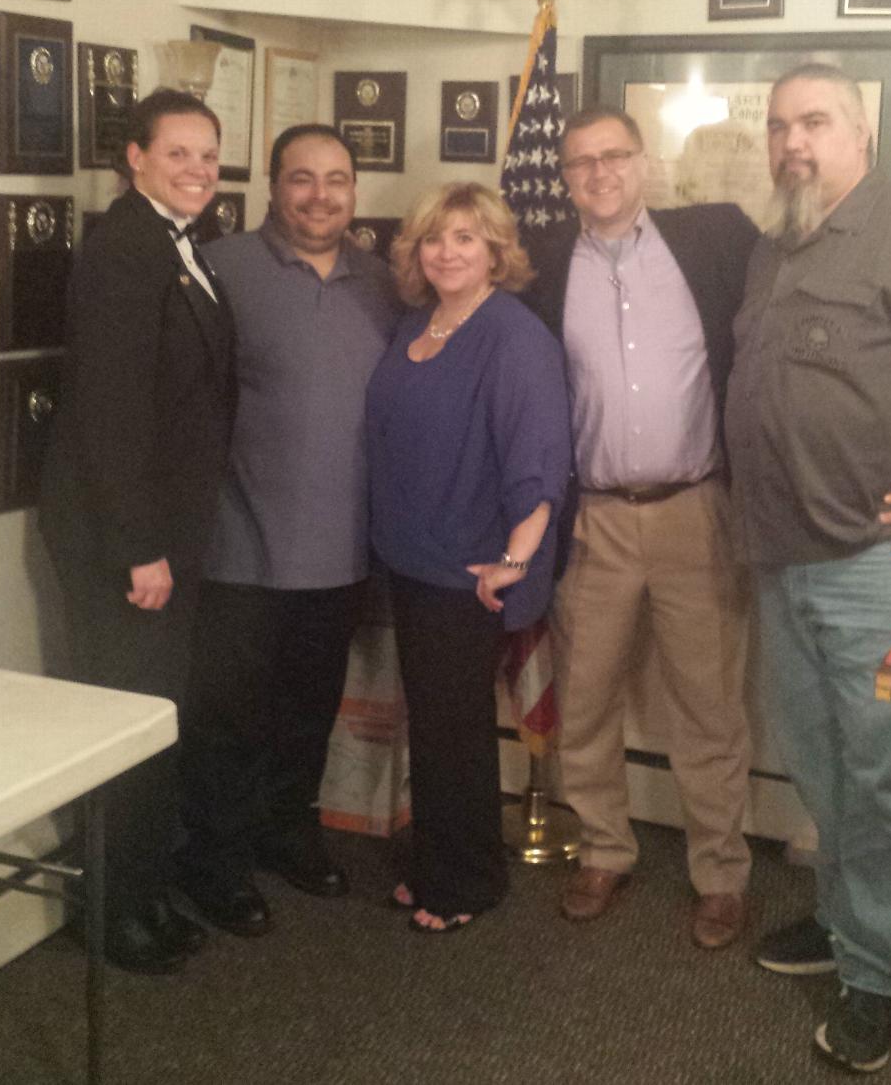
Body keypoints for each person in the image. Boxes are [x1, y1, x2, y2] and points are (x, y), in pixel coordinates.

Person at [725, 61, 891, 1073]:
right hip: (785, 561)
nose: (794, 140)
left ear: (860, 132)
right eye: (781, 124)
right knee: (824, 763)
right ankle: (847, 921)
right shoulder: (772, 245)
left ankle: (880, 972)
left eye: (816, 121)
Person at [522, 107, 759, 947]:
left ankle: (721, 872)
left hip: (696, 510)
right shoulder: (542, 262)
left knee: (710, 707)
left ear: (643, 163)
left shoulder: (716, 242)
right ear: (565, 176)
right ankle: (604, 851)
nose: (599, 174)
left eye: (613, 156)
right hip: (595, 521)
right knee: (585, 699)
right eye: (580, 162)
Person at [175, 125, 399, 937]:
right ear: (272, 186)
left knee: (309, 711)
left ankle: (285, 831)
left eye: (336, 179)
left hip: (340, 550)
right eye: (302, 179)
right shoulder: (221, 269)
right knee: (227, 717)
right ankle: (215, 861)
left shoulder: (383, 282)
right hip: (238, 544)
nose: (320, 195)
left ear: (354, 190)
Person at [38, 89, 236, 974]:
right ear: (136, 158)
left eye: (208, 155)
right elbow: (111, 412)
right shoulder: (125, 246)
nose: (197, 169)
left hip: (164, 527)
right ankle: (111, 912)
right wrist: (139, 546)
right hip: (125, 538)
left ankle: (144, 889)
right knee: (126, 723)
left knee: (155, 718)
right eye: (179, 153)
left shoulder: (175, 243)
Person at [367, 182, 571, 933]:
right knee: (436, 722)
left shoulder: (514, 336)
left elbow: (539, 458)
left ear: (496, 251)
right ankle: (437, 862)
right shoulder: (419, 323)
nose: (447, 252)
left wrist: (515, 559)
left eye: (465, 238)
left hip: (471, 568)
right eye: (434, 238)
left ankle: (464, 883)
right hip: (411, 558)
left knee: (455, 729)